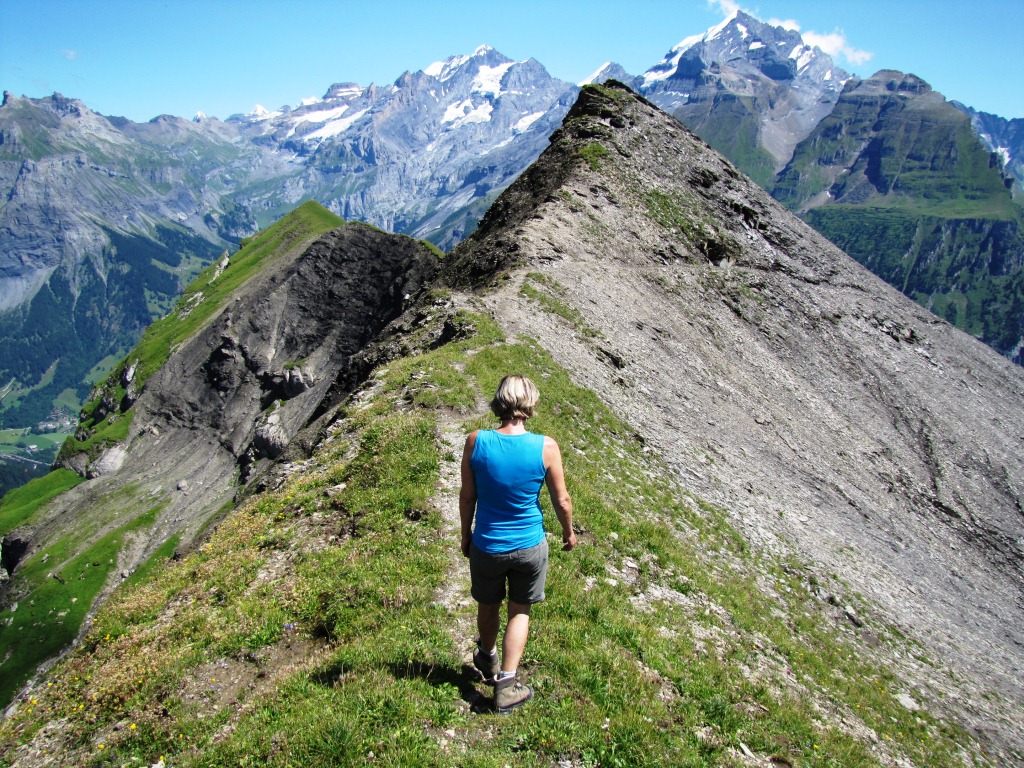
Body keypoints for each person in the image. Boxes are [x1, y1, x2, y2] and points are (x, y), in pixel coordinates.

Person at [459, 374, 575, 713]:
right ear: (531, 402)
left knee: (488, 604)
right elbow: (562, 499)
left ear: (498, 401)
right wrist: (568, 532)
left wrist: (466, 534)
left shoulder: (476, 441)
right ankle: (507, 686)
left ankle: (487, 656)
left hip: (487, 544)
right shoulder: (546, 446)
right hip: (529, 545)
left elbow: (467, 496)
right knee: (519, 610)